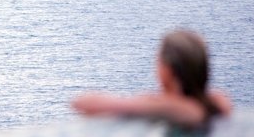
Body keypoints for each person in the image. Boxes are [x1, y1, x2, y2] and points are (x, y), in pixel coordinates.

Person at [72, 28, 231, 128]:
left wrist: (146, 102)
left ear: (167, 70)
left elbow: (83, 103)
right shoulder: (217, 101)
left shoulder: (183, 110)